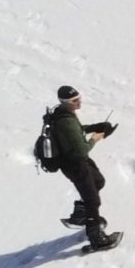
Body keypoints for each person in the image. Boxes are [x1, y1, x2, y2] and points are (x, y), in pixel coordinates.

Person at [44, 85, 121, 251]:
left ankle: (81, 214)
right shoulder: (65, 121)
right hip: (75, 164)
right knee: (93, 200)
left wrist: (95, 126)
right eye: (74, 100)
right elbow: (81, 149)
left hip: (78, 162)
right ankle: (96, 238)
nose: (79, 102)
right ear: (64, 102)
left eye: (79, 98)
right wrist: (96, 138)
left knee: (98, 181)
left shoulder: (64, 114)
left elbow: (76, 131)